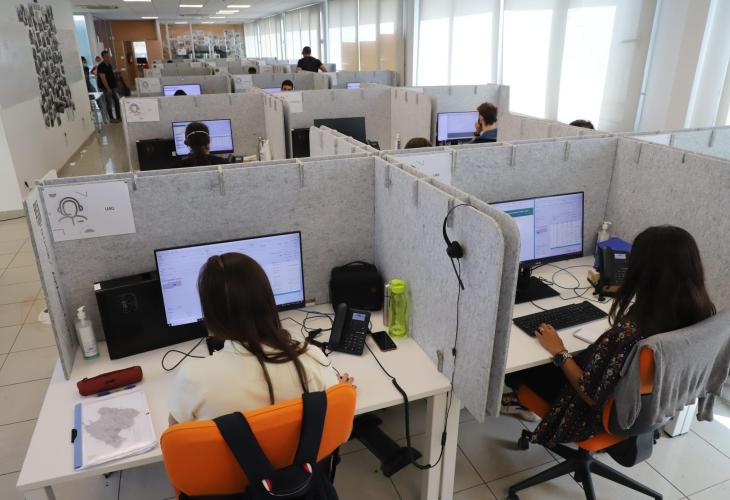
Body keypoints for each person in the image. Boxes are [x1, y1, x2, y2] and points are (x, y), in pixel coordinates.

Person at [504, 225, 716, 446]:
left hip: (588, 414)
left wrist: (560, 351)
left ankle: (523, 404)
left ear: (644, 272)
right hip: (647, 408)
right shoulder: (700, 313)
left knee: (521, 368)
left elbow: (591, 394)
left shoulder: (630, 333)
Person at [168, 253, 353, 423]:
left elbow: (175, 439)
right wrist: (342, 392)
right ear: (267, 298)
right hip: (298, 451)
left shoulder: (194, 378)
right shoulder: (312, 360)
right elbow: (337, 422)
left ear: (211, 313)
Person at [96, 50, 121, 122]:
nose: (108, 57)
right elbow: (103, 79)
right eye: (106, 56)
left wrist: (115, 86)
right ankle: (111, 118)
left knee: (116, 101)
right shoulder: (101, 66)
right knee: (109, 102)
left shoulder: (109, 65)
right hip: (106, 88)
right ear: (103, 57)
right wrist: (108, 88)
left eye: (108, 56)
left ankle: (118, 117)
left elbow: (111, 76)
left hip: (112, 87)